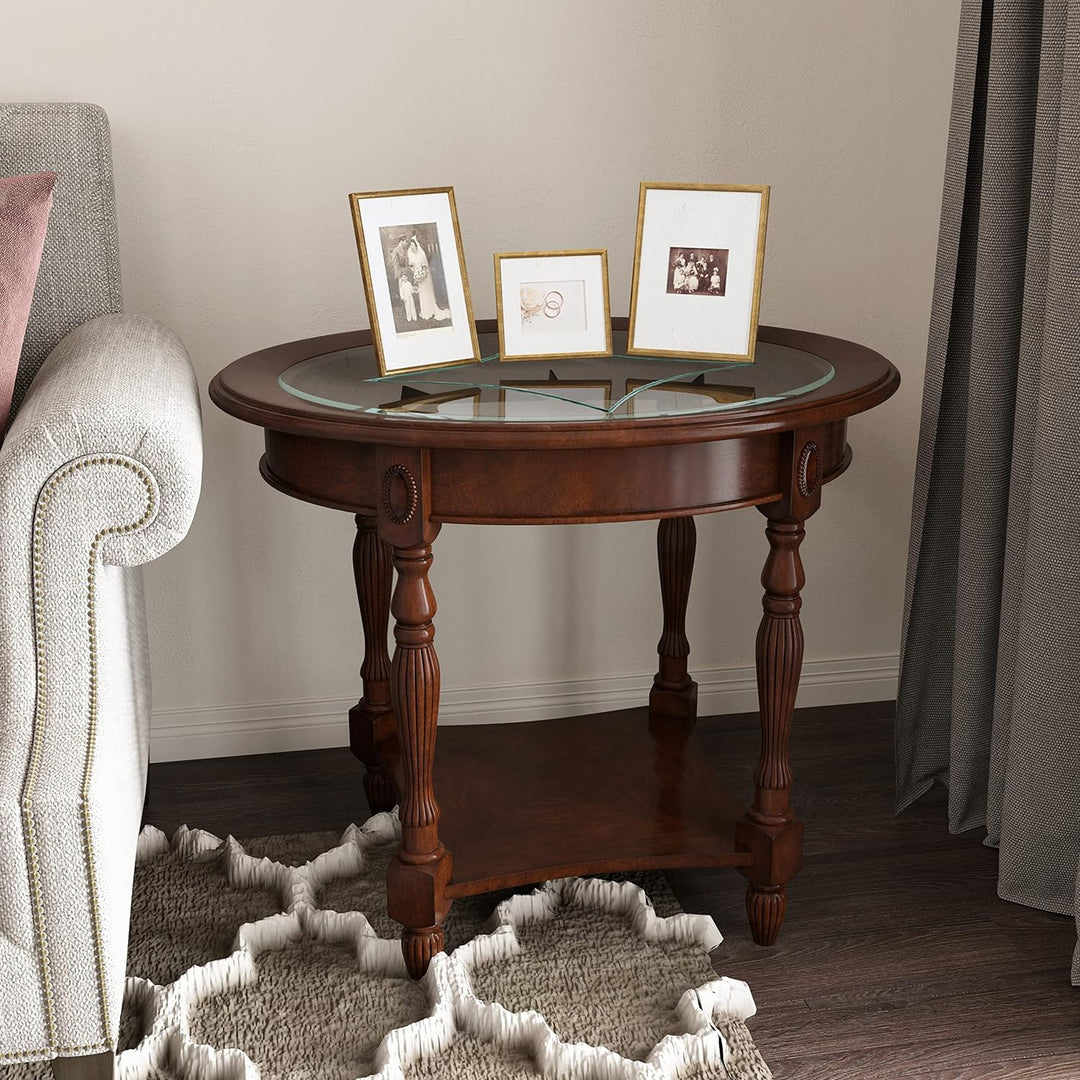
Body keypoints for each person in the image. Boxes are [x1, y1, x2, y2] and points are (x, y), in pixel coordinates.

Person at [408, 234, 450, 321]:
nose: (411, 247)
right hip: (418, 276)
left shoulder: (421, 254)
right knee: (422, 294)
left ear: (416, 245)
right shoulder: (411, 255)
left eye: (412, 245)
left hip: (424, 277)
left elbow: (425, 266)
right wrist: (414, 271)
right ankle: (424, 311)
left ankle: (430, 310)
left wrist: (422, 273)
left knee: (426, 292)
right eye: (410, 245)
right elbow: (411, 265)